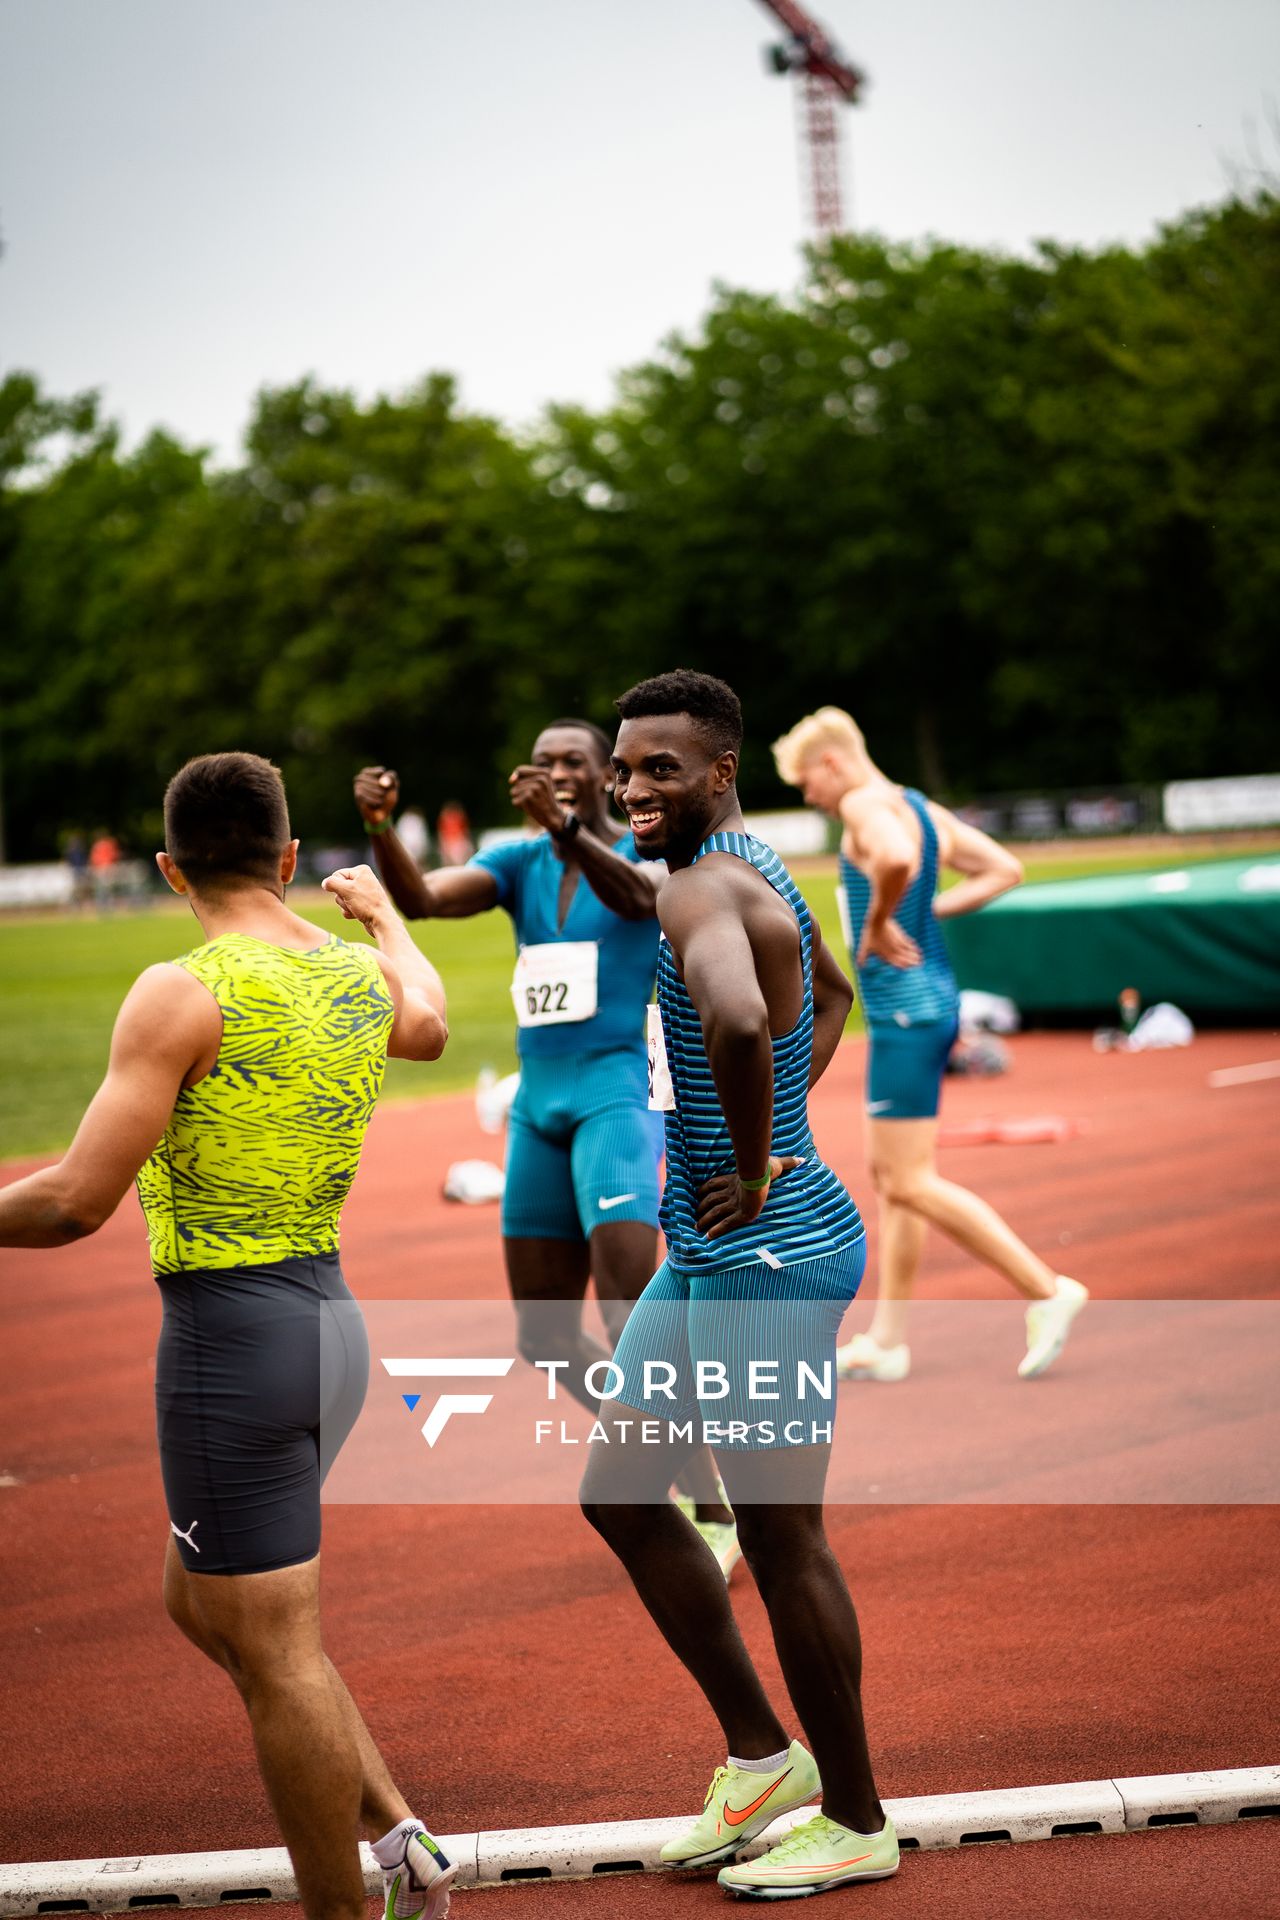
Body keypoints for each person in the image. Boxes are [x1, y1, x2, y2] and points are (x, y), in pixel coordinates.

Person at [0, 753, 457, 1920]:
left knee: (280, 1655)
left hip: (227, 1340)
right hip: (331, 1326)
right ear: (292, 860)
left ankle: (347, 1912)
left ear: (166, 869)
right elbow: (431, 1022)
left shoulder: (180, 988)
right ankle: (398, 1833)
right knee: (199, 1601)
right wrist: (383, 915)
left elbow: (71, 1202)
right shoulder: (355, 974)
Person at [580, 671, 899, 1901]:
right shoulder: (759, 861)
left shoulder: (702, 886)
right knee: (617, 1491)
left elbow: (730, 1014)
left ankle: (858, 1815)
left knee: (778, 1538)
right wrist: (769, 1132)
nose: (632, 787)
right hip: (712, 1250)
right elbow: (828, 995)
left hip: (767, 1251)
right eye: (625, 766)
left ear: (720, 771)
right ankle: (763, 1759)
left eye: (660, 769)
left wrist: (761, 1153)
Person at [352, 722, 737, 1566]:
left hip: (615, 1097)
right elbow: (421, 900)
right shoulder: (522, 865)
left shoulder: (643, 859)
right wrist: (382, 829)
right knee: (545, 1335)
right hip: (537, 1103)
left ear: (609, 777)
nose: (557, 771)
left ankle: (715, 1499)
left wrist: (567, 831)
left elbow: (641, 905)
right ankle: (669, 1458)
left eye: (575, 762)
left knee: (634, 1316)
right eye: (545, 760)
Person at [772, 706, 1088, 1382]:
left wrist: (881, 919)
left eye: (806, 784)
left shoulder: (862, 803)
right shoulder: (918, 805)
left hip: (905, 1016)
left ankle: (1046, 1289)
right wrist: (928, 910)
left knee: (908, 1179)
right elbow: (1004, 868)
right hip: (930, 1004)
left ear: (831, 762)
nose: (811, 798)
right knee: (894, 1183)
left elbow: (893, 858)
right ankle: (888, 1341)